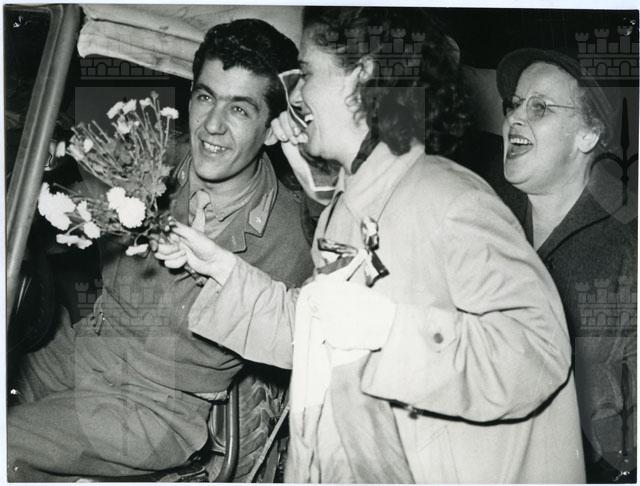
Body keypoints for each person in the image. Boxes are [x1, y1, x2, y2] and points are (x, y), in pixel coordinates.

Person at [156, 7, 585, 483]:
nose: (294, 96)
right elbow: (320, 336)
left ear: (362, 77)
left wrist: (389, 330)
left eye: (308, 74)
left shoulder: (446, 197)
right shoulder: (347, 209)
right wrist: (222, 272)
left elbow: (538, 351)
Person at [7, 19, 314, 481]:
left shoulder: (292, 236)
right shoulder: (153, 160)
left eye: (239, 109)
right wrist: (45, 176)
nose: (212, 125)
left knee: (7, 442)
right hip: (84, 348)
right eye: (206, 97)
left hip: (157, 407)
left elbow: (322, 336)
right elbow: (69, 204)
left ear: (272, 130)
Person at [497, 48, 637, 483]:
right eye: (514, 105)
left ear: (588, 135)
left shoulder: (627, 248)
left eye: (539, 107)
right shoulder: (485, 220)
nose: (515, 119)